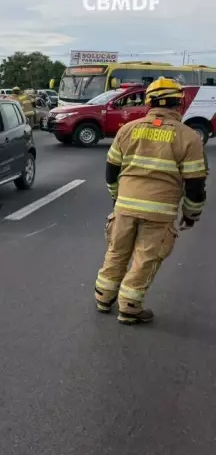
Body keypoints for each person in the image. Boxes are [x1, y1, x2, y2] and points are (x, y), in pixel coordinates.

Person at [95, 77, 207, 325]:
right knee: (146, 258)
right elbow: (195, 184)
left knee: (116, 252)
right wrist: (191, 214)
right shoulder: (189, 137)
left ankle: (103, 297)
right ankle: (130, 307)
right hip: (159, 212)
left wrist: (116, 196)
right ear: (180, 103)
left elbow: (111, 169)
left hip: (124, 206)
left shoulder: (128, 129)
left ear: (148, 102)